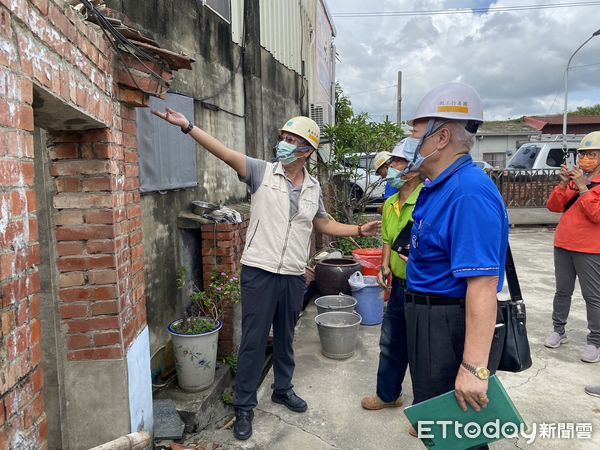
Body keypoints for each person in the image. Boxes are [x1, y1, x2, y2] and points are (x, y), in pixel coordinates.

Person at [152, 108, 381, 441]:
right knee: (254, 341)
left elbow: (322, 223)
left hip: (291, 274)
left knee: (286, 335)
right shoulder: (262, 172)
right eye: (283, 139)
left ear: (308, 151)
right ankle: (244, 405)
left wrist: (358, 229)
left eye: (292, 140)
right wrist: (188, 126)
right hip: (259, 270)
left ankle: (282, 388)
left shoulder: (314, 187)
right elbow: (225, 153)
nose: (284, 145)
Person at [400, 82, 509, 441]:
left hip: (448, 325)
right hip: (429, 321)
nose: (410, 142)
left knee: (459, 435)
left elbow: (481, 286)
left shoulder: (467, 192)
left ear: (441, 137)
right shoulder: (439, 185)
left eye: (415, 133)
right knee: (439, 427)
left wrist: (474, 368)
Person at [361, 140, 423, 411]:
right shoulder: (389, 204)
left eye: (396, 161)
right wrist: (384, 265)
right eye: (391, 163)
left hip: (425, 288)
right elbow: (387, 238)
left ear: (414, 166)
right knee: (390, 342)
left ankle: (426, 411)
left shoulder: (427, 200)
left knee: (424, 352)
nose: (391, 168)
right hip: (399, 286)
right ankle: (388, 395)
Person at [544, 131, 600, 363]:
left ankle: (595, 341)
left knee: (593, 297)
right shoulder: (577, 180)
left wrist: (584, 188)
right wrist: (563, 183)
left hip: (590, 248)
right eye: (583, 154)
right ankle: (559, 330)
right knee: (562, 291)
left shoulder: (589, 184)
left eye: (592, 154)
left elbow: (596, 215)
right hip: (564, 243)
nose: (586, 159)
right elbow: (554, 207)